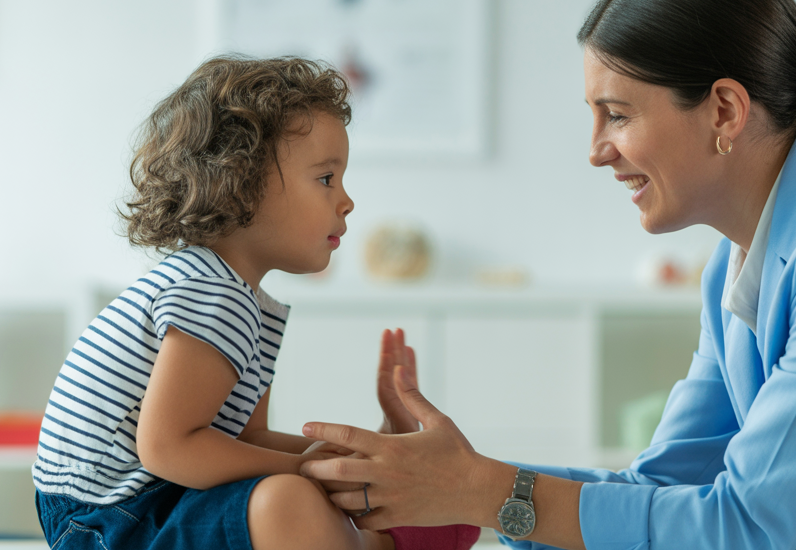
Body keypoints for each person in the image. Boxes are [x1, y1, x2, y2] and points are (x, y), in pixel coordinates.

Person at [298, 0, 796, 548]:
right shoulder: (735, 268)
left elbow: (743, 527)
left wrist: (481, 491)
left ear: (725, 111)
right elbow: (662, 494)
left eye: (618, 114)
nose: (596, 148)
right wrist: (458, 479)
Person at [31, 56, 480, 550]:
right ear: (241, 182)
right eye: (327, 179)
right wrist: (302, 467)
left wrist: (363, 451)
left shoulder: (242, 300)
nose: (347, 201)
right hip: (110, 519)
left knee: (289, 492)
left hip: (141, 504)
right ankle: (386, 544)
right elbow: (167, 447)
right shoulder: (214, 295)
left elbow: (243, 443)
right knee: (286, 499)